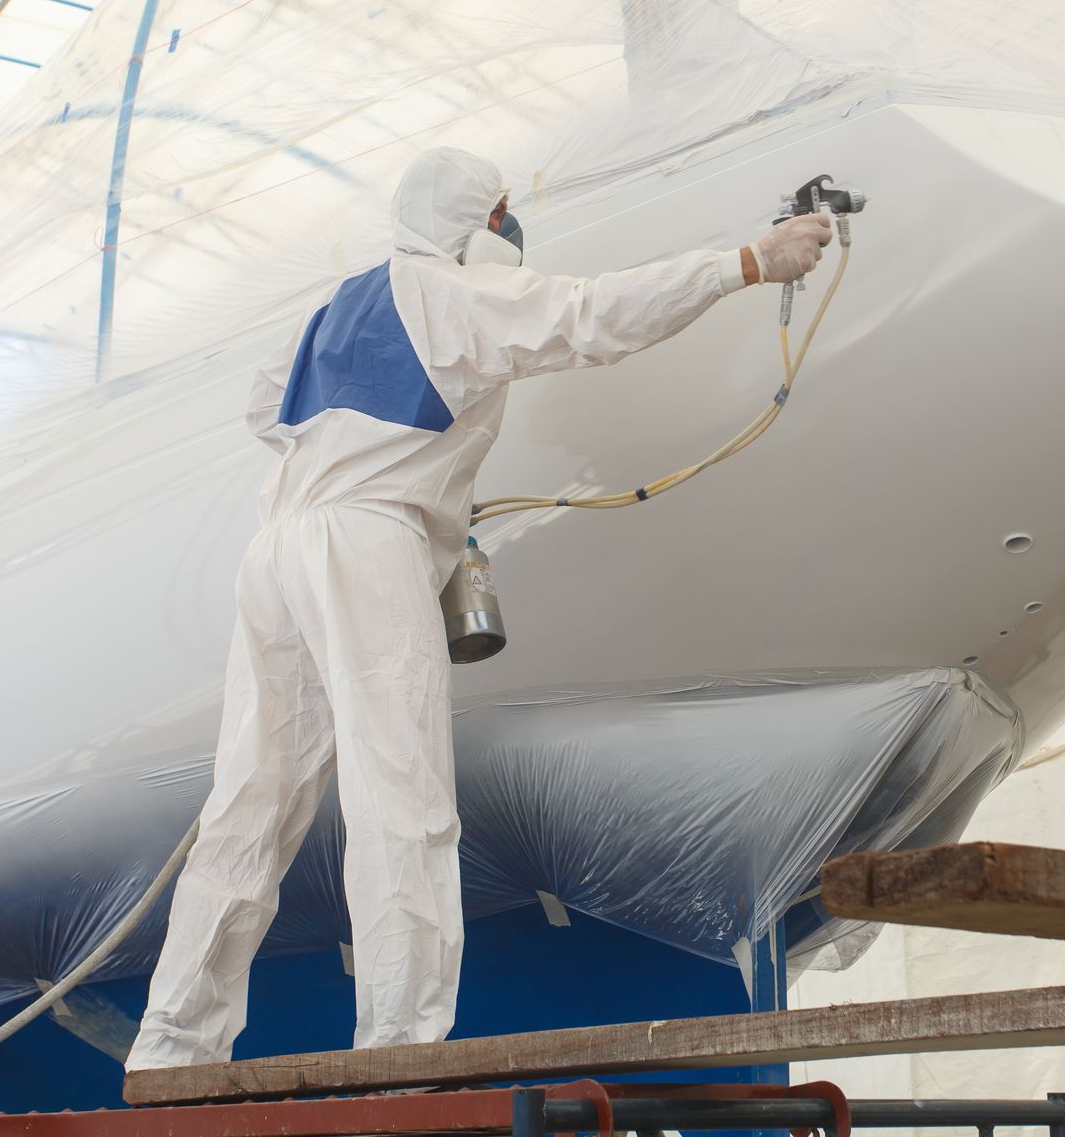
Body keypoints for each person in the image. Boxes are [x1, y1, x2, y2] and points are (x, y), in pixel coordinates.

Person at [125, 146, 832, 1071]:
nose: (511, 226)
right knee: (399, 791)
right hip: (366, 542)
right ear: (469, 221)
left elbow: (266, 408)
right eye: (500, 210)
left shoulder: (336, 306)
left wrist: (369, 460)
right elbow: (589, 316)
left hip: (281, 548)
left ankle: (173, 1043)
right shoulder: (447, 294)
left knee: (251, 802)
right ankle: (398, 1045)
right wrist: (746, 261)